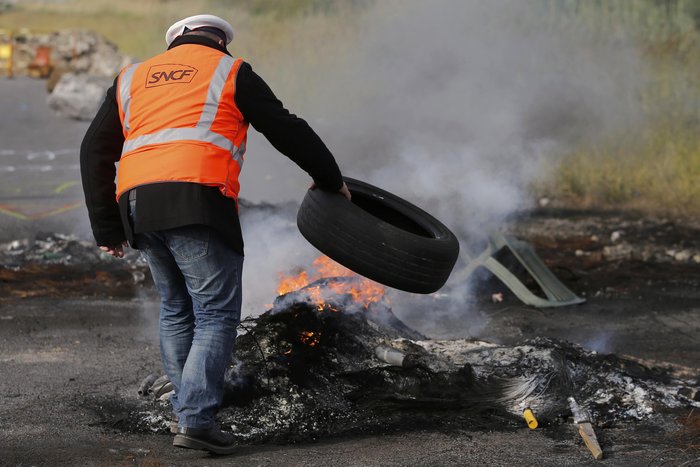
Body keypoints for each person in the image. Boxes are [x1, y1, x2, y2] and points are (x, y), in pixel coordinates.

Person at [80, 14, 350, 455]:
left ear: (176, 42)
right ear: (220, 41)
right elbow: (286, 128)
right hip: (197, 200)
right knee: (214, 314)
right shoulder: (229, 70)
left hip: (138, 207)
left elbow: (93, 149)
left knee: (175, 308)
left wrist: (106, 225)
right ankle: (197, 421)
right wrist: (328, 177)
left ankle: (184, 409)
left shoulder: (131, 78)